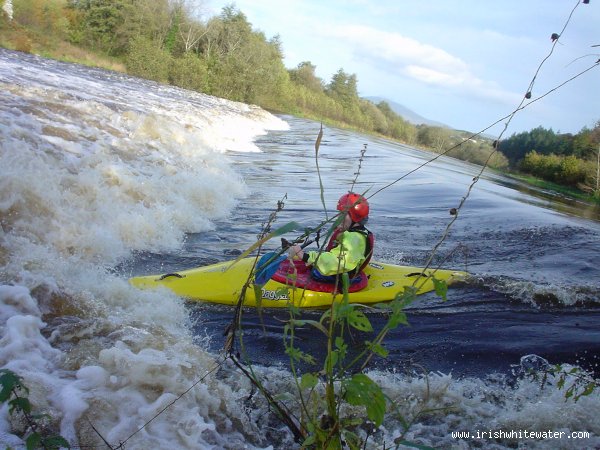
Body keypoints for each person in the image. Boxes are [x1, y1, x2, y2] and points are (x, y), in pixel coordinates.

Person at [288, 192, 374, 282]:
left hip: (341, 278)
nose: (339, 218)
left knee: (315, 273)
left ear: (354, 217)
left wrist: (305, 256)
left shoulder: (353, 239)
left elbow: (336, 263)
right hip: (346, 270)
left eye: (343, 214)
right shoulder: (358, 233)